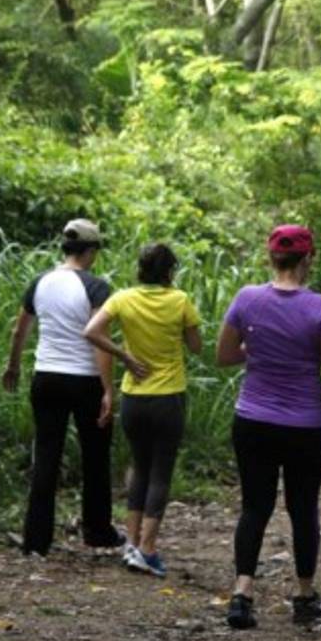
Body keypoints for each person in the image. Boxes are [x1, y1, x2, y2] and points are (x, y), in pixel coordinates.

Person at [216, 225, 321, 630]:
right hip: (304, 425)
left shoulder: (246, 299)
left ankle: (242, 594)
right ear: (308, 258)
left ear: (270, 257)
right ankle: (304, 596)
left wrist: (258, 350)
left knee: (254, 506)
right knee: (302, 508)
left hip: (253, 419)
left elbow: (224, 354)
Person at [3, 219, 127, 559]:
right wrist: (108, 389)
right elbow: (100, 342)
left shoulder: (40, 282)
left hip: (46, 377)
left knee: (46, 455)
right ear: (91, 251)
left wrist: (13, 366)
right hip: (84, 378)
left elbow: (19, 331)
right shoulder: (96, 287)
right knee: (95, 454)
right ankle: (97, 530)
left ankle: (36, 539)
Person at [83, 243, 202, 578]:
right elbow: (196, 347)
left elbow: (91, 332)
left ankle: (131, 543)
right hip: (168, 397)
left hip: (134, 397)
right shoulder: (179, 300)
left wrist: (125, 356)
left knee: (140, 467)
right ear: (170, 271)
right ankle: (148, 549)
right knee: (160, 472)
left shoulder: (122, 298)